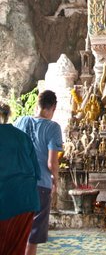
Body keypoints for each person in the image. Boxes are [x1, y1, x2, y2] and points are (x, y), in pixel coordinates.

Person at [14, 90, 63, 255]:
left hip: (18, 184)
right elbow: (52, 163)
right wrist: (55, 181)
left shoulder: (20, 121)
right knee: (32, 236)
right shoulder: (53, 127)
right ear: (53, 107)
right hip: (40, 185)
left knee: (17, 231)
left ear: (38, 104)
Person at [0, 99, 40, 255]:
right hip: (26, 201)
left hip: (5, 201)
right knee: (15, 250)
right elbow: (36, 172)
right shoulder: (22, 137)